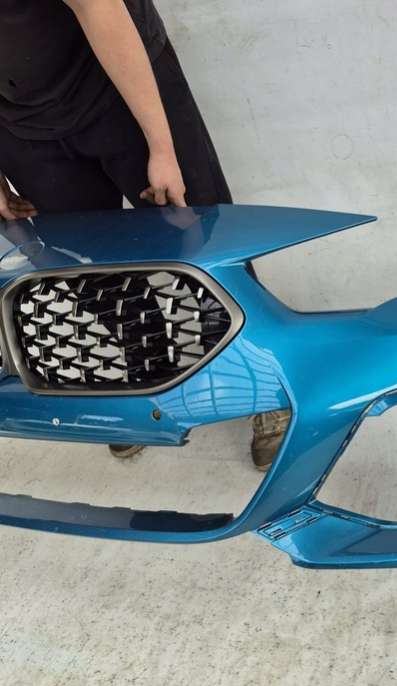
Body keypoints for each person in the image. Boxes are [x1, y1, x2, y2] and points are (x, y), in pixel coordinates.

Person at [0, 0, 289, 468]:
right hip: (21, 120)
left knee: (201, 238)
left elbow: (99, 9)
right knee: (86, 265)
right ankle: (154, 380)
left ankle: (268, 381)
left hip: (117, 78)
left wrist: (161, 146)